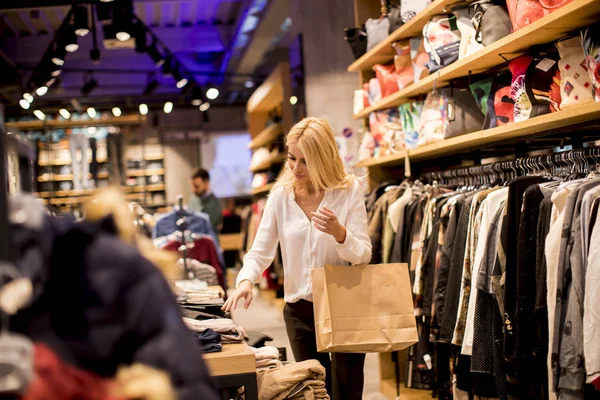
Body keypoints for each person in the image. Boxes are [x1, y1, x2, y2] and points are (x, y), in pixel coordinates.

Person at [222, 117, 372, 400]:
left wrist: (341, 234)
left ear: (323, 158)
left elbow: (363, 254)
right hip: (299, 310)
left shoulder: (347, 191)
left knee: (348, 391)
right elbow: (260, 250)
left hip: (343, 304)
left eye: (305, 160)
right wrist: (246, 281)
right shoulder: (280, 196)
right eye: (292, 158)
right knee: (312, 390)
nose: (296, 167)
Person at [189, 168, 223, 234]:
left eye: (196, 186)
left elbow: (206, 226)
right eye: (192, 186)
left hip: (209, 242)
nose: (193, 190)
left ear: (206, 183)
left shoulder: (215, 204)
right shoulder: (193, 199)